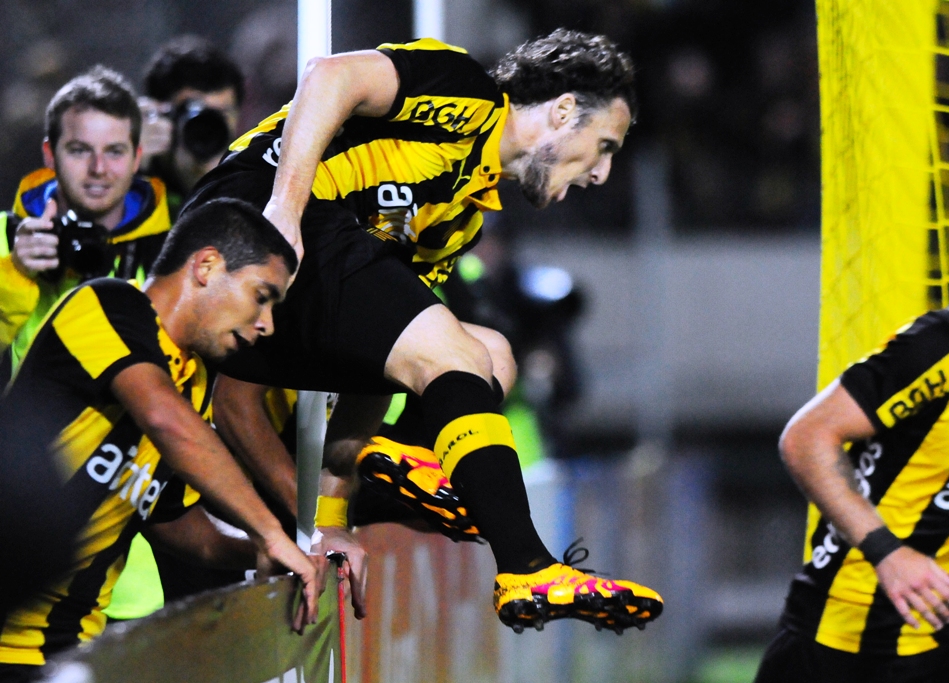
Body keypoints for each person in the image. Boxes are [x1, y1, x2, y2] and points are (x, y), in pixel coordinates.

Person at [183, 28, 663, 633]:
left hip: (287, 302)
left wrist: (331, 518)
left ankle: (389, 478)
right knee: (455, 351)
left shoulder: (461, 221)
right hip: (251, 222)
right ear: (564, 111)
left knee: (489, 353)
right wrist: (285, 207)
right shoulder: (466, 93)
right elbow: (330, 74)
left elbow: (383, 352)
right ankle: (527, 564)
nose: (602, 173)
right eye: (604, 146)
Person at [0, 198, 323, 682]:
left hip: (72, 644)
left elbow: (170, 520)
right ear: (207, 266)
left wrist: (254, 555)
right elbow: (163, 419)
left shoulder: (192, 384)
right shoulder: (109, 304)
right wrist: (272, 533)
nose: (267, 324)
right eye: (262, 296)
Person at [753, 213, 949, 682]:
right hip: (834, 635)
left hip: (936, 634)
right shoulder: (947, 347)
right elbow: (806, 436)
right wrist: (888, 553)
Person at [0, 66, 171, 384]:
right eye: (79, 150)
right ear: (50, 154)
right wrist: (14, 275)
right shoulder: (3, 239)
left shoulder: (171, 251)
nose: (98, 169)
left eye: (114, 152)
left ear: (137, 157)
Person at [138, 35, 245, 218]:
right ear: (161, 115)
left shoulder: (256, 187)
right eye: (196, 114)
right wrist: (129, 165)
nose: (208, 126)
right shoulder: (132, 189)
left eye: (221, 115)